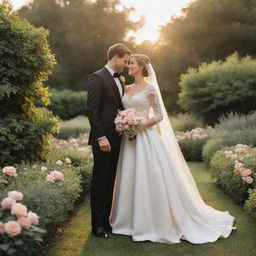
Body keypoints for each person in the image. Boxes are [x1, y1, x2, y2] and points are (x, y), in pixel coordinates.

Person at [110, 54, 236, 244]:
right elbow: (121, 111)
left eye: (132, 63)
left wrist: (140, 125)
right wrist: (124, 123)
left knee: (149, 175)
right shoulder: (125, 88)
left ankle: (151, 221)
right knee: (129, 175)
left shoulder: (150, 89)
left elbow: (159, 115)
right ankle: (126, 220)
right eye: (128, 63)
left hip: (145, 138)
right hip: (128, 141)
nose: (129, 66)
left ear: (142, 67)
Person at [87, 43, 131, 238]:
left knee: (110, 181)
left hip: (118, 137)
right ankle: (97, 226)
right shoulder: (97, 78)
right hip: (103, 139)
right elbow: (92, 110)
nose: (126, 65)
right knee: (100, 181)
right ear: (115, 57)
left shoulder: (120, 80)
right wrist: (101, 136)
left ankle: (106, 222)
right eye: (125, 60)